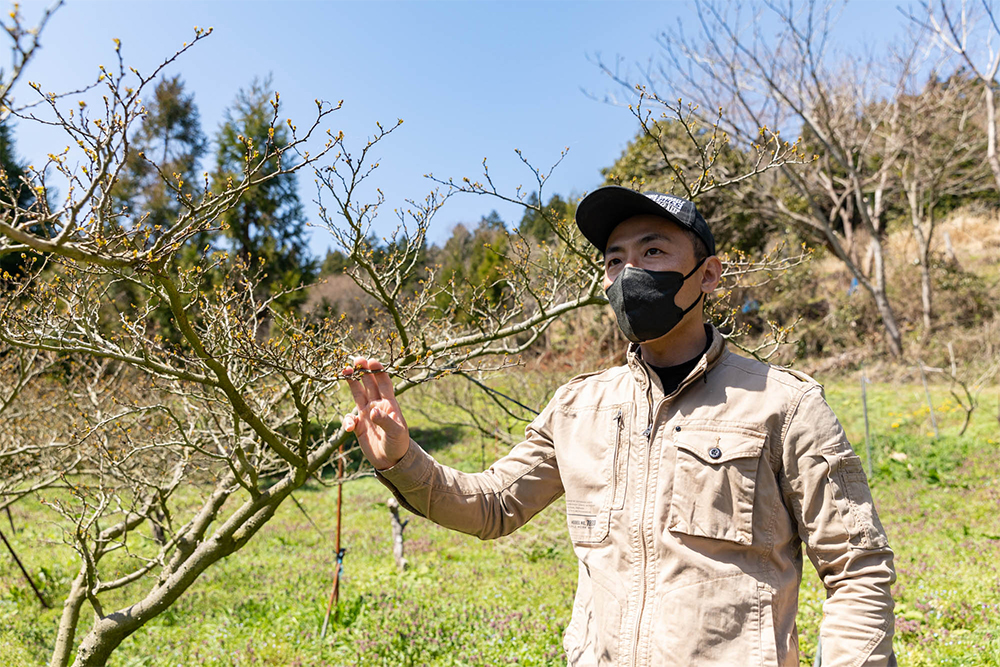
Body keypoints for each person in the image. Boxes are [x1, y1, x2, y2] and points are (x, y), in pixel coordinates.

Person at [343, 186, 896, 667]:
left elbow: (858, 569)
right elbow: (491, 507)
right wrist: (400, 458)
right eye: (614, 261)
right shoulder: (577, 407)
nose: (630, 273)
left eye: (653, 251)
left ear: (707, 274)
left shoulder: (784, 404)